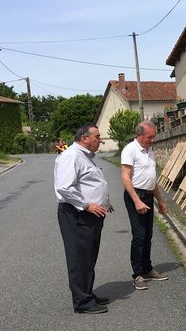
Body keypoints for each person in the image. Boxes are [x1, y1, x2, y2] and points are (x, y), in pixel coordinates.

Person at [54, 123, 113, 314]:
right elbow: (65, 187)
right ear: (84, 138)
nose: (100, 140)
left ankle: (87, 293)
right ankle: (82, 302)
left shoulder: (84, 156)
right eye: (97, 136)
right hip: (77, 214)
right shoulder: (71, 156)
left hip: (91, 214)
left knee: (88, 256)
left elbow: (90, 183)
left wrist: (104, 202)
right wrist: (87, 204)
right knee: (79, 257)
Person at [121, 121, 169, 290]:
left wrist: (160, 200)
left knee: (148, 235)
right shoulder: (130, 150)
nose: (153, 140)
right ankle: (137, 274)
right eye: (150, 137)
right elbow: (126, 177)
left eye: (154, 136)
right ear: (139, 135)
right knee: (139, 235)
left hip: (148, 196)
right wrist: (136, 200)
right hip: (136, 196)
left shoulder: (149, 150)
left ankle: (147, 269)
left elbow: (152, 179)